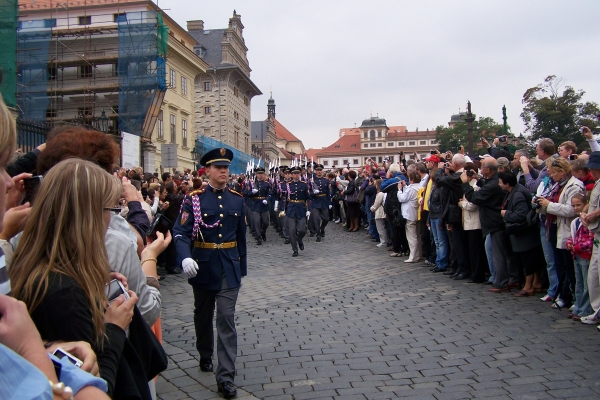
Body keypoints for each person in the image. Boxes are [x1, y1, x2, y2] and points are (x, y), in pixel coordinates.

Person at [10, 159, 145, 398]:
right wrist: (114, 327)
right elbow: (94, 384)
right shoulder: (64, 295)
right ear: (89, 215)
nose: (111, 221)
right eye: (111, 211)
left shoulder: (39, 267)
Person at [172, 147, 247, 398]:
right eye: (218, 167)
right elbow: (180, 232)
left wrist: (241, 268)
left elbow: (240, 238)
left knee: (226, 318)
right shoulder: (194, 198)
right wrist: (184, 258)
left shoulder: (237, 198)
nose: (224, 171)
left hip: (228, 265)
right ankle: (205, 352)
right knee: (203, 314)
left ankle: (226, 376)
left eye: (226, 167)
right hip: (202, 265)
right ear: (207, 171)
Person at [461, 158, 517, 292]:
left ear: (487, 169)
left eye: (482, 167)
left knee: (497, 255)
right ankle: (502, 279)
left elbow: (476, 197)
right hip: (492, 222)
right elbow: (487, 185)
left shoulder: (494, 184)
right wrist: (478, 179)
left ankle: (501, 282)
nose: (480, 168)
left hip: (494, 222)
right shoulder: (494, 180)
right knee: (492, 252)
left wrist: (465, 184)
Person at [538, 157, 584, 308]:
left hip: (566, 229)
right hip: (554, 227)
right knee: (559, 265)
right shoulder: (557, 185)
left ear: (562, 172)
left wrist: (549, 205)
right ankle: (562, 294)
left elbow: (572, 210)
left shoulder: (574, 186)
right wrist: (541, 204)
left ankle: (570, 297)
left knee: (569, 267)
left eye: (554, 172)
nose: (551, 175)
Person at [499, 171, 544, 297]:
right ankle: (536, 283)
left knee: (528, 260)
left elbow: (521, 215)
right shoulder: (515, 191)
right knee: (531, 259)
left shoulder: (517, 194)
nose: (499, 184)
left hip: (524, 233)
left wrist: (506, 214)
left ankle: (529, 286)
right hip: (525, 233)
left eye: (500, 182)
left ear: (507, 183)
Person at [566, 193, 594, 320]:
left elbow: (591, 240)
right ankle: (578, 307)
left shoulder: (588, 222)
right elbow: (572, 236)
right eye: (574, 205)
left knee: (587, 284)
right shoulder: (575, 222)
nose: (576, 208)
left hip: (585, 256)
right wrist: (570, 244)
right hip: (576, 256)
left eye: (579, 205)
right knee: (579, 283)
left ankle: (585, 309)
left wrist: (577, 247)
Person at [459, 163, 487, 283]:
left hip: (475, 222)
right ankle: (474, 273)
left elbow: (472, 205)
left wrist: (461, 204)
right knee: (471, 250)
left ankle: (477, 274)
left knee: (476, 251)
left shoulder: (475, 185)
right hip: (468, 222)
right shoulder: (468, 184)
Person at [397, 172, 421, 262]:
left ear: (411, 179)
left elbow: (402, 198)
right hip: (416, 214)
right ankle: (419, 254)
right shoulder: (419, 187)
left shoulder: (411, 189)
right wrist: (405, 186)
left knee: (412, 237)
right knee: (417, 236)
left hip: (409, 215)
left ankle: (413, 256)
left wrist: (399, 190)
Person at [244, 166, 271, 245]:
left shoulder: (266, 184)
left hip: (263, 204)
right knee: (256, 221)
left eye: (262, 174)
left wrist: (267, 199)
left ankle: (263, 232)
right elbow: (245, 193)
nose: (260, 175)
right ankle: (259, 238)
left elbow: (269, 193)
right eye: (259, 174)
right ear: (256, 174)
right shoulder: (251, 183)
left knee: (266, 222)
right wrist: (251, 193)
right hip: (255, 204)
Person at [309, 164, 331, 241]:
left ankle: (322, 228)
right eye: (317, 170)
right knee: (316, 219)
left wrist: (329, 203)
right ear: (315, 171)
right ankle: (318, 234)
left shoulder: (326, 180)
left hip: (324, 201)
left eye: (320, 170)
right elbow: (309, 194)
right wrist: (313, 193)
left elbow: (328, 192)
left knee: (326, 219)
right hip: (315, 202)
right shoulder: (312, 181)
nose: (319, 172)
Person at [370, 179, 388, 247]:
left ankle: (384, 241)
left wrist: (372, 208)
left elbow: (377, 203)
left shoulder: (380, 193)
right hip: (381, 211)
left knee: (381, 228)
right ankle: (385, 240)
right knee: (383, 228)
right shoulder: (381, 193)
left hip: (380, 212)